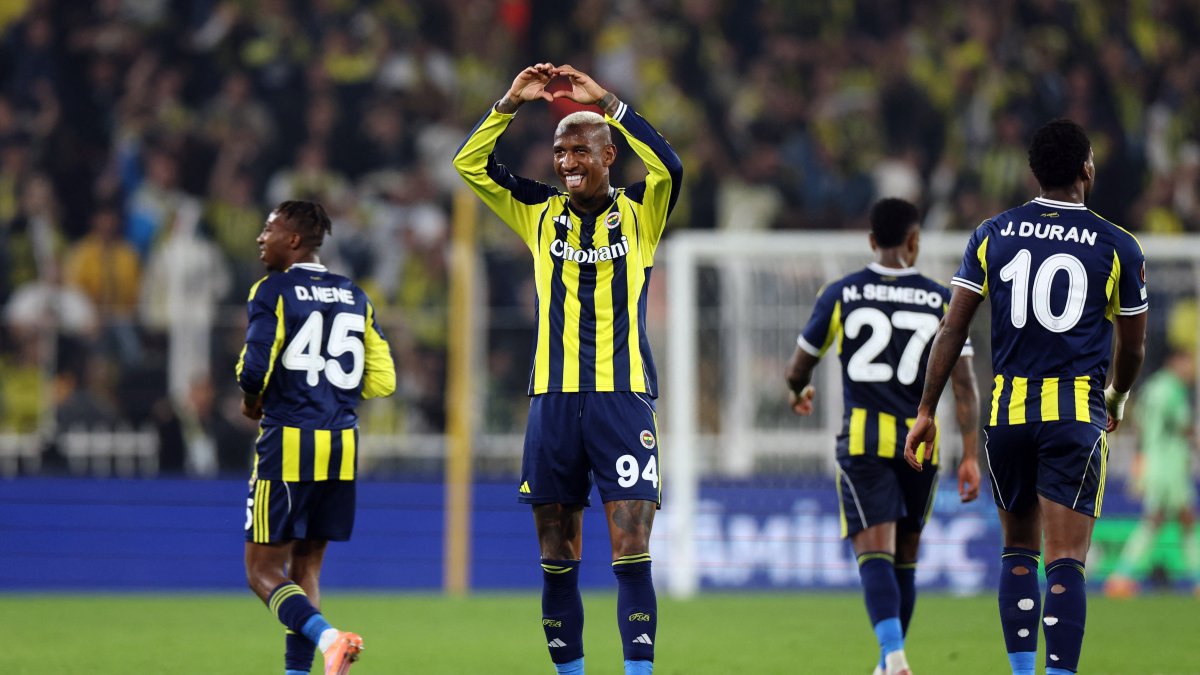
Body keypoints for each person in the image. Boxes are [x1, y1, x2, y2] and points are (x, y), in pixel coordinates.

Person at [453, 63, 682, 675]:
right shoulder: (536, 211)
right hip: (552, 403)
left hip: (621, 397)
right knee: (557, 553)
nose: (566, 160)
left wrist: (606, 100)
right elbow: (469, 165)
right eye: (559, 151)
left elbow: (670, 166)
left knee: (631, 547)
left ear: (610, 153)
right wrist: (507, 103)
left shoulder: (641, 213)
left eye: (580, 149)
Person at [905, 118, 1147, 675]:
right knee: (1066, 560)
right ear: (1088, 167)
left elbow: (952, 329)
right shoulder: (1118, 246)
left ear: (1033, 172)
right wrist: (1116, 396)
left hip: (1006, 417)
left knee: (1018, 549)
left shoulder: (992, 233)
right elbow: (1132, 349)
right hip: (1073, 416)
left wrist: (925, 410)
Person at [786, 197, 981, 675]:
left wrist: (798, 390)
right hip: (922, 447)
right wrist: (971, 455)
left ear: (872, 241)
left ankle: (892, 657)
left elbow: (799, 367)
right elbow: (965, 386)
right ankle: (889, 660)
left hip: (863, 445)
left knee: (875, 550)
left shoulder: (842, 293)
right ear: (914, 242)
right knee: (906, 557)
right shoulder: (942, 299)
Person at [237, 200, 396, 675]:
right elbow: (383, 380)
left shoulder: (273, 290)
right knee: (306, 570)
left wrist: (250, 399)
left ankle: (330, 639)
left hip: (289, 440)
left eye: (269, 228)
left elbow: (255, 367)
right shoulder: (356, 295)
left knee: (262, 571)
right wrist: (331, 390)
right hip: (342, 445)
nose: (261, 237)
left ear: (293, 240)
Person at [1104, 348, 1200, 597]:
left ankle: (1121, 577)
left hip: (1154, 461)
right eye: (1189, 364)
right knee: (1171, 520)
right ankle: (1121, 577)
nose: (1191, 371)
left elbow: (1140, 425)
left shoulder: (1151, 388)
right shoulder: (1173, 390)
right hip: (1170, 465)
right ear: (1176, 362)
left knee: (1170, 520)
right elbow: (1184, 426)